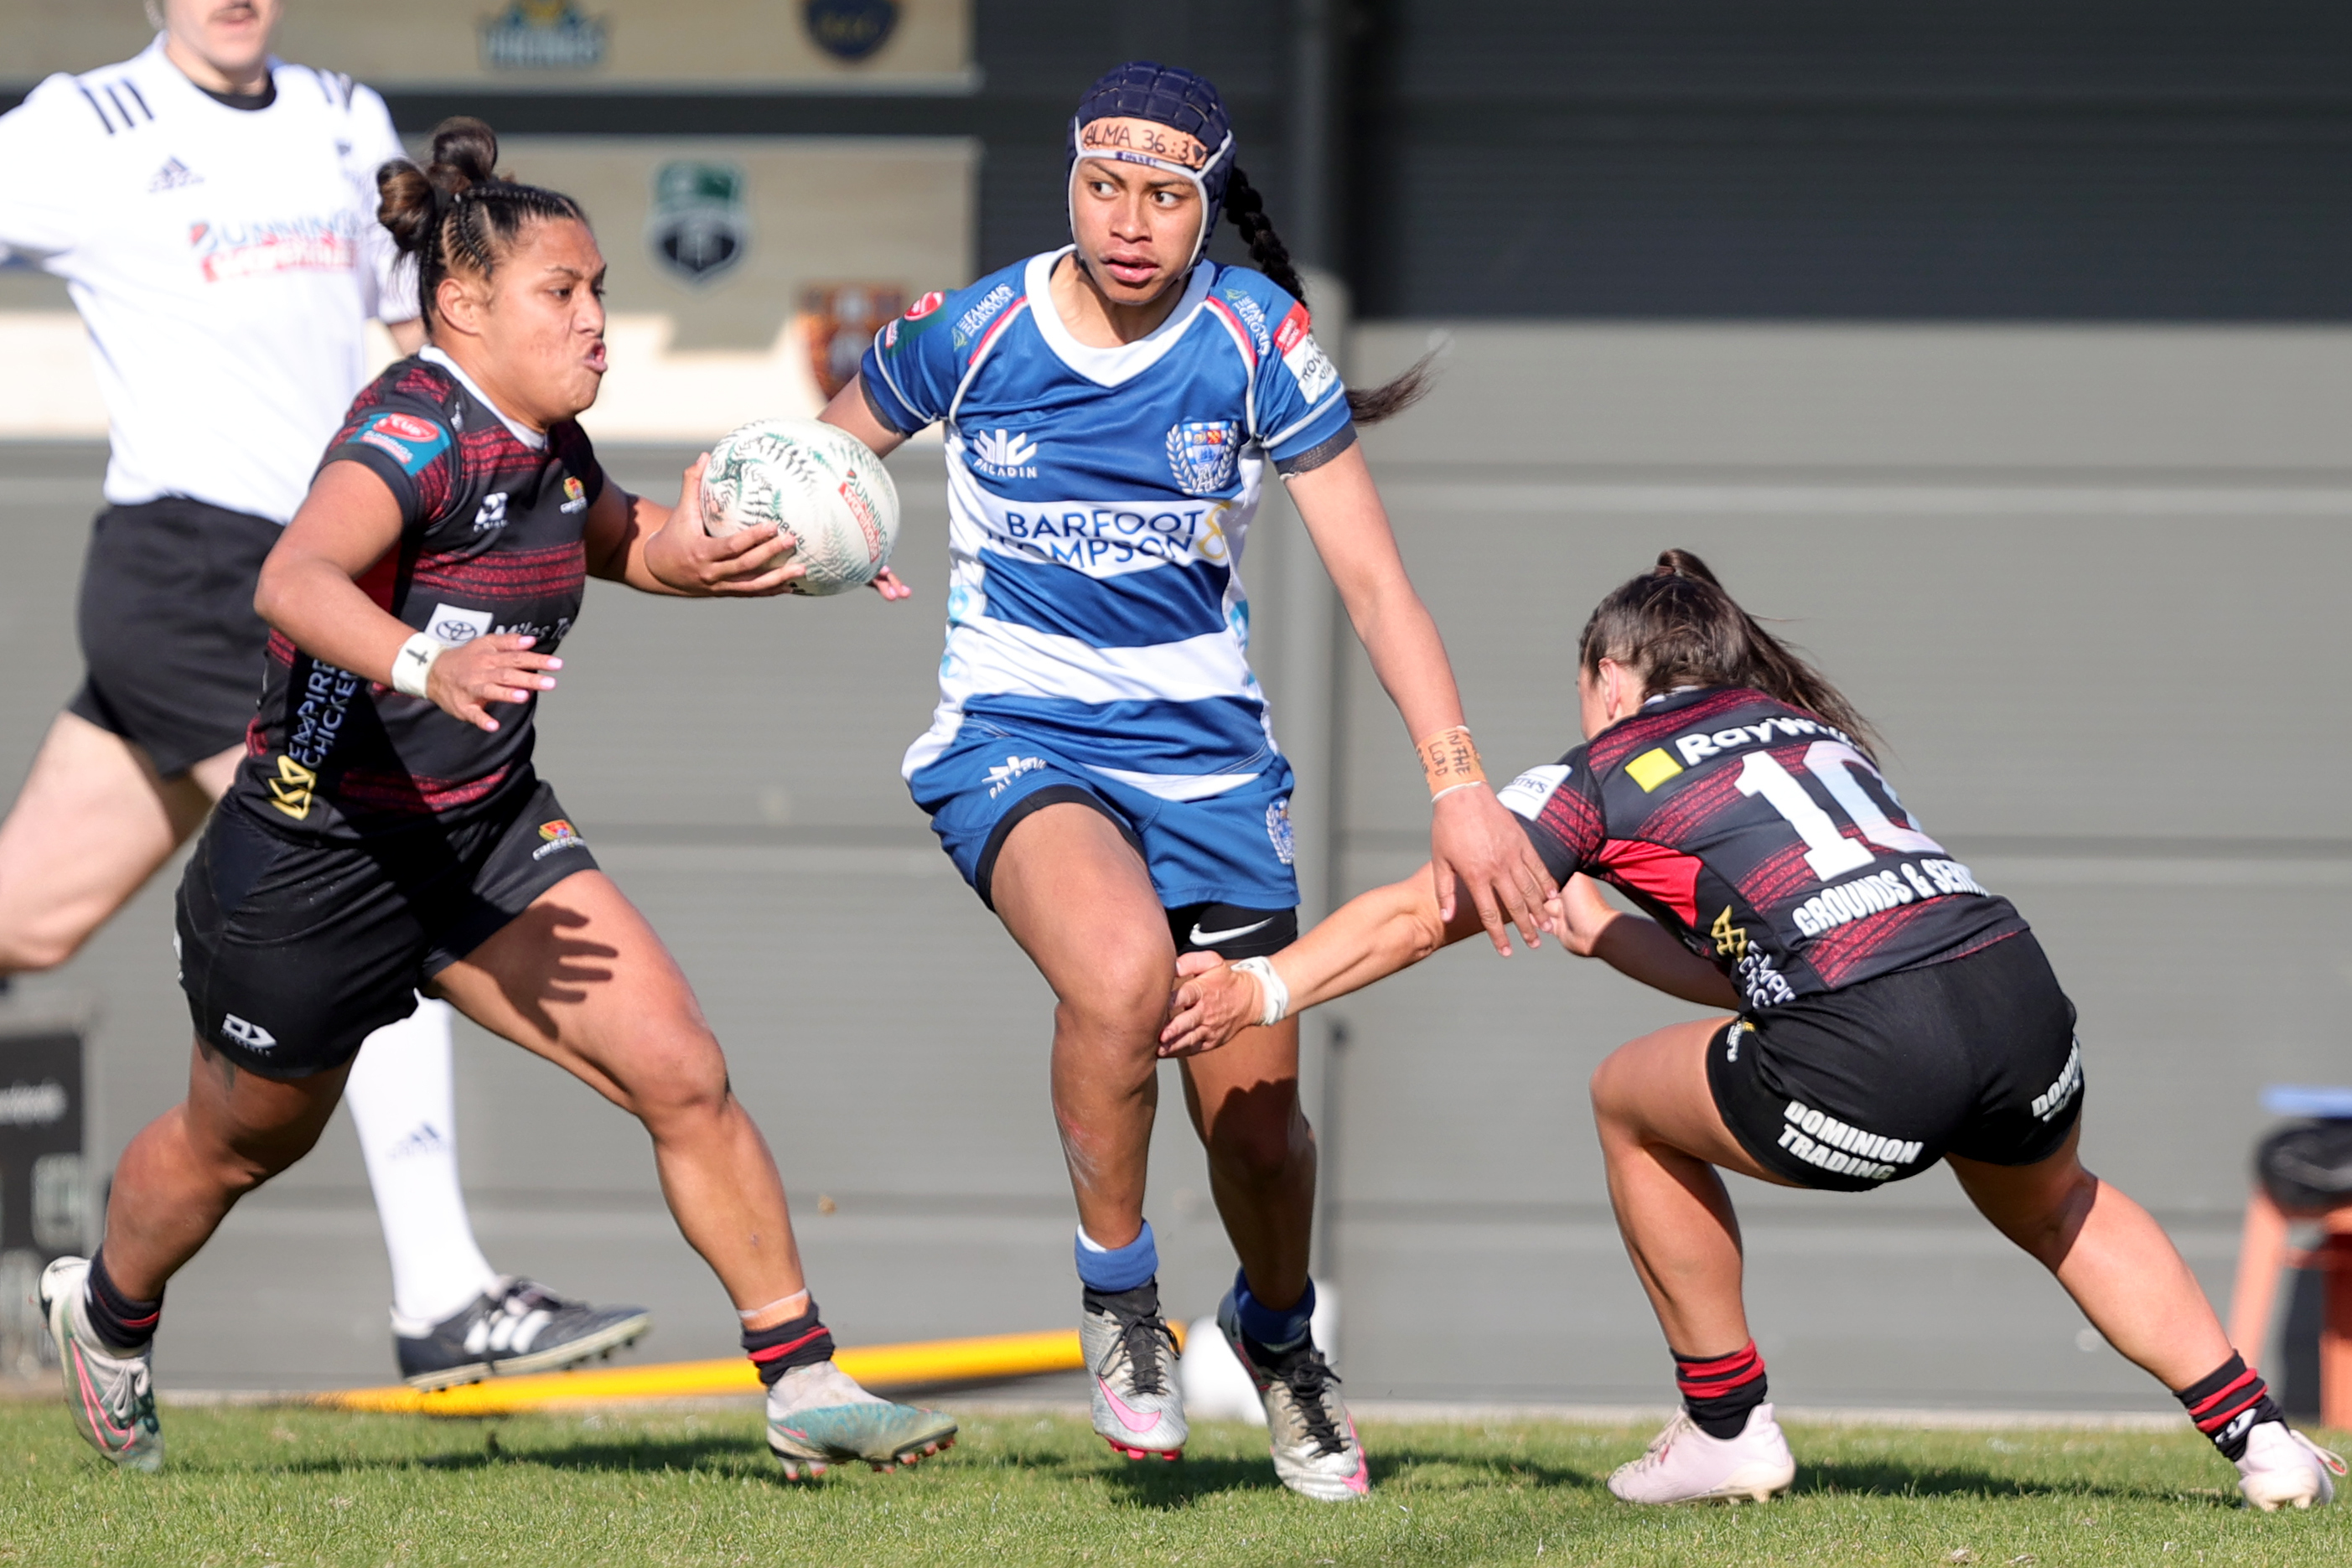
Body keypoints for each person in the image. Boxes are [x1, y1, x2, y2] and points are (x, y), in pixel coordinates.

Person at [38, 120, 955, 1481]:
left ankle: (805, 1379)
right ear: (463, 306)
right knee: (234, 1149)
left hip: (481, 832)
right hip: (310, 863)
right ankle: (106, 1315)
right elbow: (292, 581)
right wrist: (424, 658)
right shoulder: (410, 432)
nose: (596, 320)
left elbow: (618, 536)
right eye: (564, 294)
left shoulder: (547, 438)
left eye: (599, 293)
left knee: (682, 1072)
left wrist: (739, 551)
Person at [1162, 551, 2348, 1512]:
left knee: (1626, 1099)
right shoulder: (1799, 731)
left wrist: (1259, 990)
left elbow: (1424, 913)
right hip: (2011, 989)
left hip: (1874, 1038)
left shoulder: (1604, 767)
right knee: (2059, 1201)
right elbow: (1780, 971)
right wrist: (1602, 937)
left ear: (1612, 671)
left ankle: (1724, 1427)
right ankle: (2262, 1442)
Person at [814, 60, 1555, 1501]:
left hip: (1208, 767)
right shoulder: (967, 330)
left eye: (1164, 195)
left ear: (1205, 206)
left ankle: (1276, 1341)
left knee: (1259, 1137)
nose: (1130, 221)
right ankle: (1119, 1309)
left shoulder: (1254, 338)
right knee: (1116, 978)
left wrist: (1459, 783)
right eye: (1104, 186)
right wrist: (817, 530)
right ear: (1068, 184)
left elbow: (1377, 586)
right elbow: (810, 464)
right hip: (1012, 737)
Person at [0, 0, 647, 1387]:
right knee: (366, 870)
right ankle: (443, 1298)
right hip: (201, 568)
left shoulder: (344, 116)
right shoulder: (83, 125)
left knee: (21, 920)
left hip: (347, 563)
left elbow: (425, 324)